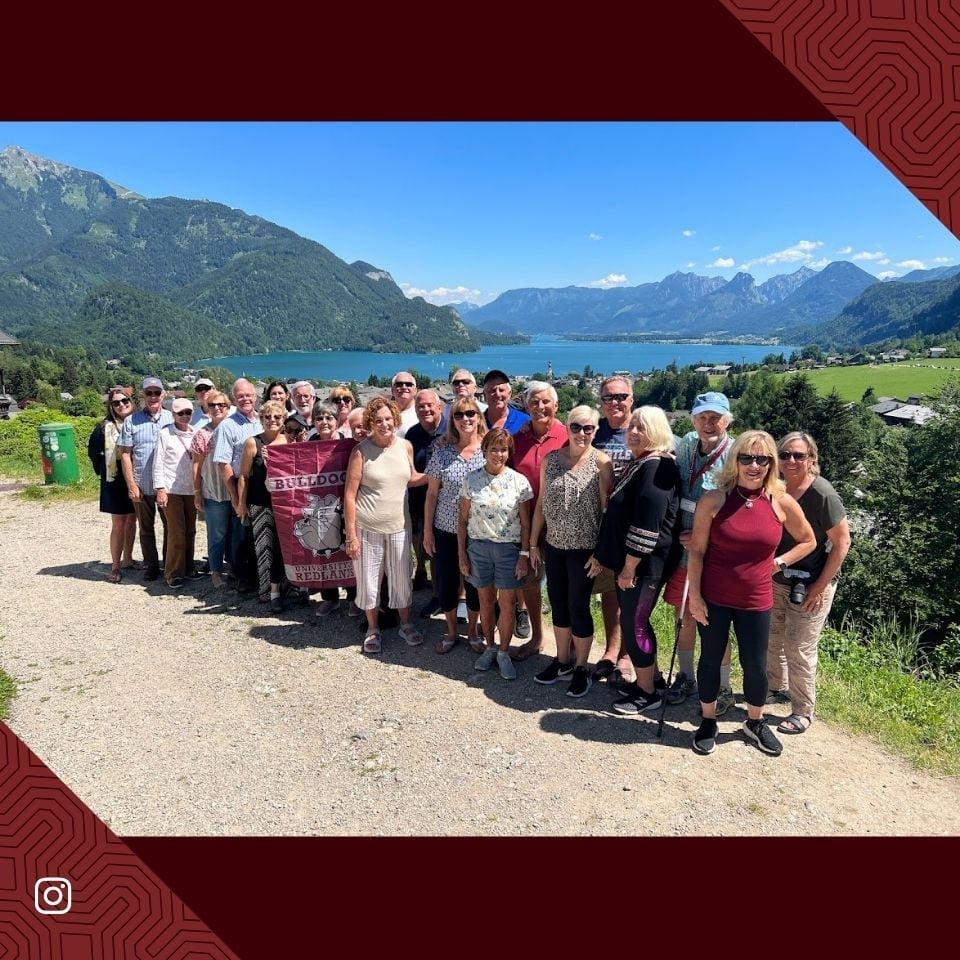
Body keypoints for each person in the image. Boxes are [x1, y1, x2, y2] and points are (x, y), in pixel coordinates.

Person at [686, 430, 816, 757]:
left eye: (762, 459)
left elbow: (809, 541)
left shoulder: (781, 501)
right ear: (736, 460)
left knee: (755, 665)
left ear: (771, 464)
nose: (754, 465)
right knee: (711, 658)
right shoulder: (714, 500)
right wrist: (695, 596)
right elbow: (697, 551)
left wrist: (780, 562)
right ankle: (708, 720)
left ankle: (754, 723)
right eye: (747, 458)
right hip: (714, 596)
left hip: (756, 599)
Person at [587, 406, 681, 713]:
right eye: (633, 427)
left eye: (643, 427)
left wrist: (629, 566)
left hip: (643, 565)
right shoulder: (642, 462)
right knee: (634, 622)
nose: (635, 432)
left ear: (658, 432)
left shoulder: (656, 467)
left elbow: (647, 522)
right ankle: (650, 678)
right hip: (636, 563)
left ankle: (646, 693)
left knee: (634, 624)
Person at [767, 431, 851, 734]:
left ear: (811, 459)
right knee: (772, 638)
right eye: (785, 454)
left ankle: (803, 710)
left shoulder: (822, 494)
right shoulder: (773, 488)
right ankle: (774, 687)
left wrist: (820, 585)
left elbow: (842, 542)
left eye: (798, 455)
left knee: (799, 647)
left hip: (814, 581)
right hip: (778, 576)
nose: (791, 460)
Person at [529, 405, 613, 697]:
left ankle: (581, 667)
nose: (581, 433)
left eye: (588, 428)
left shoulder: (602, 463)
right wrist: (532, 543)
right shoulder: (551, 460)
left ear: (596, 430)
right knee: (558, 604)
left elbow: (608, 513)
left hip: (584, 551)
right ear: (567, 427)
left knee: (579, 607)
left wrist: (600, 553)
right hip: (554, 547)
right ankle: (562, 660)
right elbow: (541, 504)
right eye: (576, 427)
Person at [664, 391, 738, 714]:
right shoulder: (684, 446)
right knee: (683, 617)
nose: (709, 423)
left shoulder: (737, 454)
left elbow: (740, 508)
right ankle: (686, 677)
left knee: (715, 622)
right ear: (693, 419)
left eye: (715, 417)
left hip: (715, 555)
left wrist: (703, 534)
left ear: (727, 420)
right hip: (682, 551)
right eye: (702, 417)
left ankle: (724, 688)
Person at [343, 397, 425, 653]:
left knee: (402, 580)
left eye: (388, 419)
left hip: (400, 527)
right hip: (367, 529)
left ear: (395, 420)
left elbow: (410, 478)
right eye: (378, 420)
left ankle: (406, 623)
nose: (384, 424)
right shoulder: (361, 451)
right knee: (369, 582)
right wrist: (351, 536)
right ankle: (372, 628)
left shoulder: (405, 447)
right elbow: (349, 494)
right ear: (370, 423)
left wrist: (436, 476)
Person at [458, 429, 533, 680]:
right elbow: (462, 520)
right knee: (485, 601)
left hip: (509, 549)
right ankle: (490, 646)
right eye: (493, 449)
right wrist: (462, 554)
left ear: (509, 453)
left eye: (503, 449)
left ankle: (504, 651)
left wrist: (524, 554)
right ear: (485, 451)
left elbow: (525, 523)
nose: (498, 454)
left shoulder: (519, 482)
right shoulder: (471, 480)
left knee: (508, 604)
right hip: (478, 547)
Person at [508, 381, 568, 659]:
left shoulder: (568, 437)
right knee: (531, 582)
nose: (540, 407)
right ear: (526, 406)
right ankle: (538, 639)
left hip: (561, 523)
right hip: (526, 522)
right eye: (534, 402)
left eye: (546, 402)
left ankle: (565, 646)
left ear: (556, 405)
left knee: (561, 585)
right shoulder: (516, 440)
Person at [424, 396, 486, 655]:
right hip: (445, 529)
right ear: (453, 421)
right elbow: (431, 494)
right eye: (459, 415)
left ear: (479, 417)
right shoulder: (442, 451)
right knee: (448, 582)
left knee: (474, 584)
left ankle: (472, 631)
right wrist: (427, 531)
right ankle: (451, 632)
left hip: (479, 530)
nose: (465, 419)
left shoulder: (489, 449)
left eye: (470, 413)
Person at [590, 375, 636, 684]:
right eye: (608, 397)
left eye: (621, 396)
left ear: (632, 399)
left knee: (632, 591)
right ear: (601, 403)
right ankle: (611, 649)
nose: (615, 402)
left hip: (636, 527)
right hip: (603, 526)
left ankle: (629, 656)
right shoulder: (594, 432)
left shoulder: (644, 429)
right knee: (609, 590)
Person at [119, 377, 174, 582]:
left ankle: (169, 563)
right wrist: (131, 484)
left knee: (171, 526)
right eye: (148, 393)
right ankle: (151, 565)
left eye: (156, 393)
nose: (153, 397)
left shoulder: (172, 417)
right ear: (142, 395)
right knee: (145, 528)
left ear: (163, 395)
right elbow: (125, 454)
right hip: (142, 483)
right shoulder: (131, 421)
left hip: (167, 484)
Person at [236, 401, 289, 612]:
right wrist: (241, 503)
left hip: (284, 504)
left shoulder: (289, 441)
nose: (273, 421)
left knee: (283, 548)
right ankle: (266, 590)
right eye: (268, 417)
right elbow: (243, 476)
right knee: (263, 547)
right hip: (260, 503)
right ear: (261, 419)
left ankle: (286, 586)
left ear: (283, 419)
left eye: (277, 417)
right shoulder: (252, 443)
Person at [212, 378, 262, 593]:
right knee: (240, 534)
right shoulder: (227, 426)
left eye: (248, 395)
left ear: (255, 396)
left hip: (260, 486)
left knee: (258, 533)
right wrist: (235, 496)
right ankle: (242, 577)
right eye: (240, 396)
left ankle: (260, 575)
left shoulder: (262, 420)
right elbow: (223, 463)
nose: (245, 399)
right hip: (241, 486)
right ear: (234, 399)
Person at [87, 386, 138, 583]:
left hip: (135, 476)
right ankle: (115, 565)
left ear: (131, 402)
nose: (121, 405)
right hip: (114, 479)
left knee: (132, 520)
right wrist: (104, 471)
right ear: (111, 406)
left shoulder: (138, 422)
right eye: (116, 402)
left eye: (125, 401)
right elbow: (93, 453)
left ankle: (128, 559)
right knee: (119, 523)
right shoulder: (103, 428)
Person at [406, 389, 448, 602]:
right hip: (419, 499)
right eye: (421, 406)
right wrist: (431, 478)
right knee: (422, 540)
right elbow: (409, 470)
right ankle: (424, 576)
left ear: (440, 407)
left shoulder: (452, 430)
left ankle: (440, 596)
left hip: (447, 502)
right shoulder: (412, 434)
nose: (426, 409)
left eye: (430, 405)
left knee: (441, 553)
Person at [153, 398, 198, 588]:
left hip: (191, 489)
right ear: (173, 414)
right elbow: (158, 462)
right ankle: (172, 572)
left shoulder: (196, 432)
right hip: (172, 489)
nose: (185, 416)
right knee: (176, 532)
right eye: (180, 413)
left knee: (191, 530)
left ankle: (188, 566)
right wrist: (160, 489)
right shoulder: (165, 433)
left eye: (188, 412)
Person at [192, 390, 233, 588]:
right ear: (207, 408)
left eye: (221, 405)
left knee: (238, 534)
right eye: (213, 405)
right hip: (214, 491)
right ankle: (216, 571)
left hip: (235, 490)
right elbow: (196, 466)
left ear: (228, 407)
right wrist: (197, 492)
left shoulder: (234, 429)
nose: (217, 408)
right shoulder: (202, 434)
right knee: (217, 534)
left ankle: (234, 568)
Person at [482, 370, 530, 434]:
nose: (498, 394)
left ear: (509, 394)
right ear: (485, 395)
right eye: (492, 391)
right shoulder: (476, 422)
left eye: (501, 390)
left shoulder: (525, 421)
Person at [391, 371, 419, 437]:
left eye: (409, 384)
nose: (404, 387)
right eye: (399, 384)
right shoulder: (385, 413)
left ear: (415, 391)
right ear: (392, 390)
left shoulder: (422, 413)